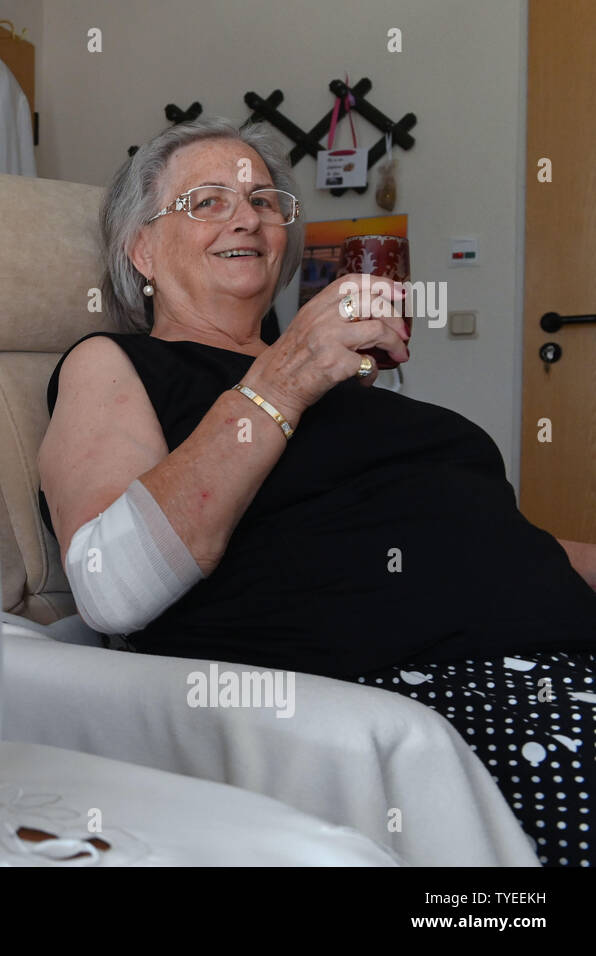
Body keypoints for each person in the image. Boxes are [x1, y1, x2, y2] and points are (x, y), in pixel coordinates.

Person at [37, 117, 596, 866]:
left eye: (265, 201)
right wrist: (287, 373)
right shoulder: (121, 363)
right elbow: (112, 587)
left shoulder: (346, 379)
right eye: (207, 201)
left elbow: (489, 544)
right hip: (424, 700)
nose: (249, 216)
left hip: (561, 655)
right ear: (141, 248)